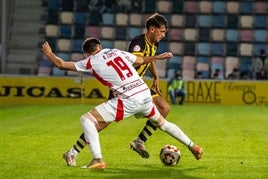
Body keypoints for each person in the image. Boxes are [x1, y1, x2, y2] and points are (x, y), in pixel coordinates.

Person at [41, 37, 203, 169]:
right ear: (100, 46)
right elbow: (139, 60)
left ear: (86, 54)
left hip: (128, 98)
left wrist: (49, 53)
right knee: (162, 123)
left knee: (87, 120)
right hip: (144, 93)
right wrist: (158, 57)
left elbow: (61, 64)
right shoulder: (115, 51)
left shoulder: (90, 61)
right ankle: (193, 146)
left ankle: (97, 159)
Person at [63, 13, 172, 166]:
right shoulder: (138, 43)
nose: (163, 34)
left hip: (138, 87)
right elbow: (137, 61)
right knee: (100, 124)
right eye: (162, 31)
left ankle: (139, 141)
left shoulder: (154, 43)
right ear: (152, 29)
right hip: (125, 87)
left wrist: (156, 77)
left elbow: (150, 58)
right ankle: (72, 152)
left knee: (164, 108)